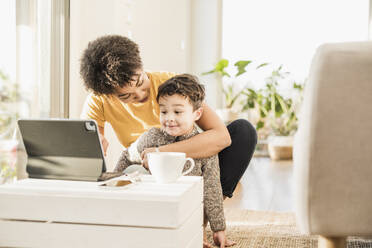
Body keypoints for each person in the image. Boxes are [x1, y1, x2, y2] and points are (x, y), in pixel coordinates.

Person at [80, 34, 257, 199]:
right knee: (133, 172)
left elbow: (222, 137)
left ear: (140, 66)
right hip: (146, 172)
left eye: (141, 82)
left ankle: (206, 211)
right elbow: (89, 149)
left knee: (243, 131)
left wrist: (160, 153)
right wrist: (94, 144)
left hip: (189, 164)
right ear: (108, 95)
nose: (140, 95)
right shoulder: (99, 101)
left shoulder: (171, 84)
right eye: (126, 96)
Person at [114, 74, 235, 247]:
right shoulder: (151, 137)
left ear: (197, 114)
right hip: (154, 210)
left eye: (177, 112)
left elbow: (212, 188)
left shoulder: (205, 148)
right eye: (164, 111)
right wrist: (111, 183)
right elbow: (127, 156)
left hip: (188, 211)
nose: (169, 118)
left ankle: (194, 230)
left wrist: (219, 229)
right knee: (135, 173)